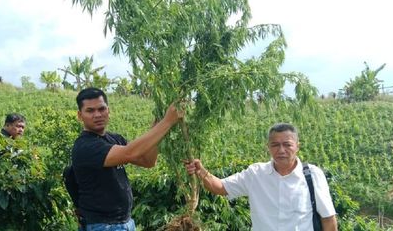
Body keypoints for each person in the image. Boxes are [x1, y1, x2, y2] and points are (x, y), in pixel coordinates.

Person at [184, 122, 338, 231]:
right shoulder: (255, 174)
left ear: (297, 146)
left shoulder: (312, 175)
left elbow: (328, 218)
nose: (281, 150)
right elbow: (220, 187)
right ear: (268, 147)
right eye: (275, 145)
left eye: (287, 144)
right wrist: (201, 171)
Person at [71, 87, 183, 230]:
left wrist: (157, 127)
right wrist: (167, 122)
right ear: (80, 115)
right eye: (90, 111)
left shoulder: (114, 139)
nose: (97, 114)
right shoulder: (85, 146)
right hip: (102, 226)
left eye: (101, 109)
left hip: (125, 222)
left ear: (108, 111)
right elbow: (130, 153)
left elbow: (148, 161)